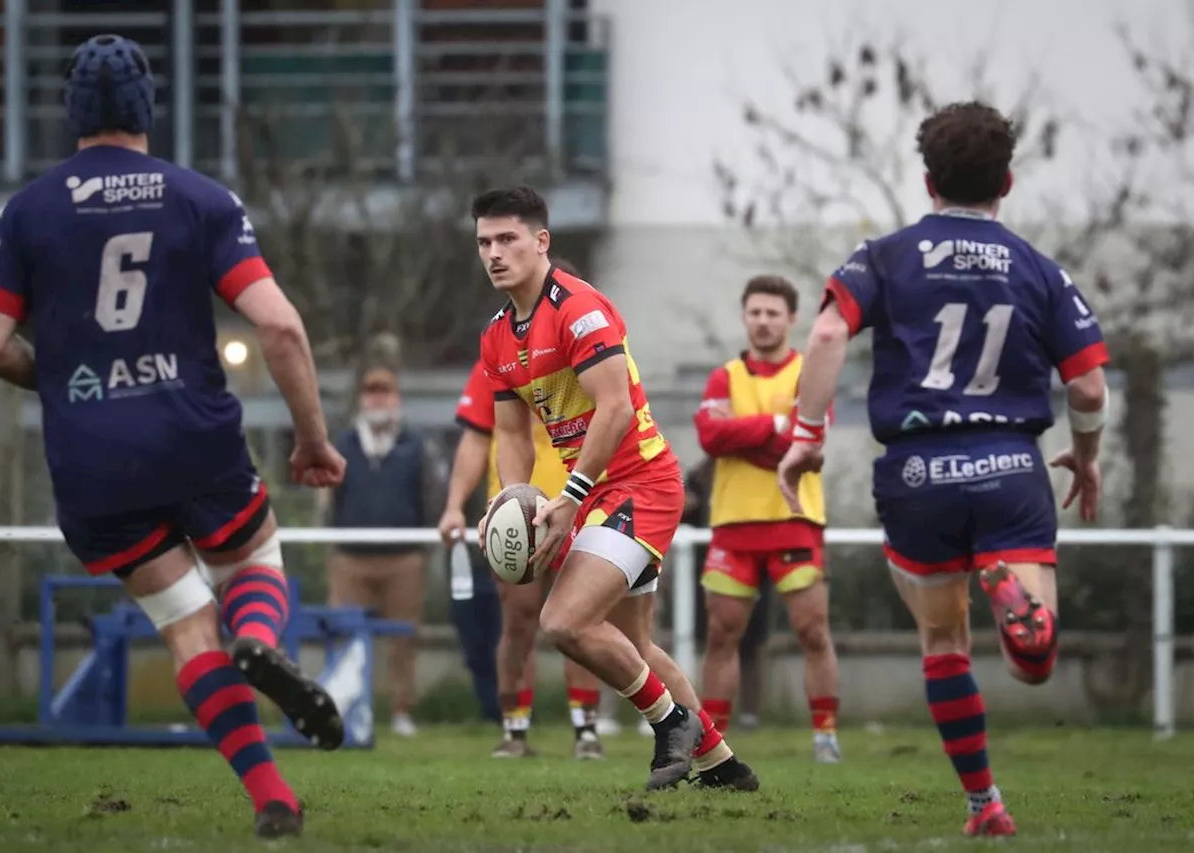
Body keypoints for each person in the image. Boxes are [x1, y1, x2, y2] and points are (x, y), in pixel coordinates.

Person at [0, 35, 346, 839]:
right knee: (252, 560)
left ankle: (273, 796)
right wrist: (314, 440)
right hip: (193, 437)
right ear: (147, 108)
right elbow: (278, 325)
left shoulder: (26, 210)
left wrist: (71, 383)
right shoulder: (200, 199)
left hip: (92, 463)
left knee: (182, 625)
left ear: (71, 112)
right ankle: (256, 636)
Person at [778, 101, 1109, 837]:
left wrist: (806, 434)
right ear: (1009, 182)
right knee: (1034, 663)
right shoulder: (1039, 269)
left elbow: (829, 330)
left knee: (943, 643)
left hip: (918, 472)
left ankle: (983, 802)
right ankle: (1024, 618)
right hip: (1010, 468)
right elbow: (1087, 386)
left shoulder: (885, 256)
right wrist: (1084, 458)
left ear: (928, 181)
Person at [470, 185, 758, 791]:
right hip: (598, 491)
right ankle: (722, 767)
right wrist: (511, 500)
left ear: (541, 241)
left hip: (641, 482)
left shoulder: (579, 308)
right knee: (631, 643)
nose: (494, 253)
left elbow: (616, 410)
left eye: (507, 239)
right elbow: (513, 434)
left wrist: (569, 497)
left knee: (565, 621)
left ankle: (670, 722)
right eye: (484, 243)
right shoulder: (497, 336)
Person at [440, 265, 609, 759]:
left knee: (580, 620)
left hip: (581, 499)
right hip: (517, 509)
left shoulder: (586, 343)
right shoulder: (495, 351)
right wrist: (454, 505)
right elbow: (477, 438)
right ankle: (515, 730)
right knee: (517, 622)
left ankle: (586, 730)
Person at [694, 275, 841, 762]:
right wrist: (777, 427)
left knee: (812, 629)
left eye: (772, 313)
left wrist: (753, 436)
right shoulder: (723, 377)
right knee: (720, 634)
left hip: (794, 517)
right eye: (754, 312)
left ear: (791, 319)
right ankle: (714, 744)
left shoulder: (809, 373)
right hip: (734, 522)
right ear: (744, 316)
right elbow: (710, 438)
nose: (762, 321)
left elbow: (810, 446)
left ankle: (825, 736)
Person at [322, 363, 444, 738]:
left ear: (396, 399)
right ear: (362, 400)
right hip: (350, 557)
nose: (379, 399)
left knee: (404, 639)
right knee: (344, 636)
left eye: (385, 392)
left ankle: (401, 711)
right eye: (372, 393)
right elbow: (329, 500)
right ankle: (344, 708)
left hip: (404, 558)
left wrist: (425, 545)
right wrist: (331, 542)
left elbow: (431, 497)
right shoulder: (343, 445)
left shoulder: (416, 445)